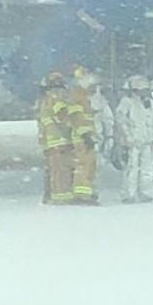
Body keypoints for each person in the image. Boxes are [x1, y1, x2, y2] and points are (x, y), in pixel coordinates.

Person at [115, 75, 153, 204]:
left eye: (147, 90)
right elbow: (120, 120)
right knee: (131, 169)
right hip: (133, 143)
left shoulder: (150, 104)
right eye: (143, 90)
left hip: (148, 142)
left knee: (148, 169)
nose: (146, 93)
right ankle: (128, 194)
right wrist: (127, 137)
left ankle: (146, 193)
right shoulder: (127, 102)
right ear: (135, 91)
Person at [35, 71, 74, 205]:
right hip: (61, 141)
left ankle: (49, 196)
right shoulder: (56, 98)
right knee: (61, 171)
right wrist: (75, 126)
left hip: (49, 142)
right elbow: (62, 116)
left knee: (51, 171)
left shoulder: (43, 101)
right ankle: (61, 198)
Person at [67, 65, 100, 205]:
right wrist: (85, 134)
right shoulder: (78, 96)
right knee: (83, 165)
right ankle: (81, 195)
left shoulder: (84, 96)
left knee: (89, 165)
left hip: (87, 136)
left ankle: (87, 192)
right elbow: (76, 117)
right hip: (82, 138)